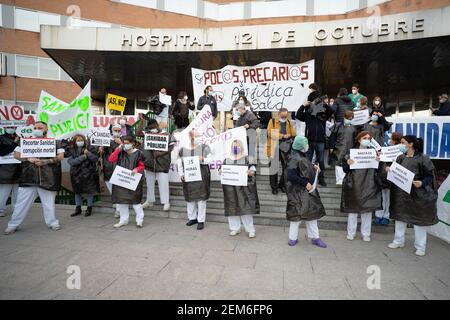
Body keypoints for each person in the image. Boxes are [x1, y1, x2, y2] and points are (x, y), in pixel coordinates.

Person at [4, 121, 65, 234]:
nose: (37, 129)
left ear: (46, 129)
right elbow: (16, 155)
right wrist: (28, 159)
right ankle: (13, 224)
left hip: (47, 178)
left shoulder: (56, 142)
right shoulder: (25, 141)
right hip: (28, 177)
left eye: (40, 127)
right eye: (35, 127)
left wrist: (46, 161)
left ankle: (52, 222)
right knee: (21, 203)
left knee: (49, 202)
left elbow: (61, 156)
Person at [387, 135, 438, 256]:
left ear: (410, 144)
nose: (401, 145)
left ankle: (420, 246)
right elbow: (395, 173)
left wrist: (422, 183)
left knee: (419, 220)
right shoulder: (400, 158)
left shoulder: (423, 159)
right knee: (400, 217)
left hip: (418, 194)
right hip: (401, 193)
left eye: (403, 142)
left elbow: (430, 176)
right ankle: (398, 240)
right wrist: (389, 170)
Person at [286, 136, 327, 248]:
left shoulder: (299, 156)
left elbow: (303, 167)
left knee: (311, 215)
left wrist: (313, 167)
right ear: (301, 146)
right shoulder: (294, 158)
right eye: (306, 144)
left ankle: (314, 237)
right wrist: (305, 183)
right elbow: (291, 175)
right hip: (298, 192)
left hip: (305, 192)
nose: (307, 146)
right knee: (297, 217)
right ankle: (293, 238)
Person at [341, 131, 382, 242]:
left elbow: (378, 170)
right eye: (365, 138)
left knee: (367, 211)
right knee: (353, 210)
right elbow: (344, 169)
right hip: (354, 184)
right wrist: (348, 163)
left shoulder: (373, 153)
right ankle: (351, 233)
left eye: (369, 138)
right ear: (359, 140)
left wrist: (379, 161)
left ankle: (366, 234)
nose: (367, 140)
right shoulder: (351, 153)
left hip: (369, 184)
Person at [221, 139, 259, 238]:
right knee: (232, 208)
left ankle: (250, 229)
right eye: (233, 146)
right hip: (230, 189)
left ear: (241, 147)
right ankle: (234, 228)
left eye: (237, 146)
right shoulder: (227, 159)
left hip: (244, 189)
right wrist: (221, 171)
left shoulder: (248, 159)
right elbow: (222, 170)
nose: (235, 148)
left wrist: (250, 172)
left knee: (245, 208)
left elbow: (253, 171)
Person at [177, 129, 212, 230]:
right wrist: (181, 173)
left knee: (201, 199)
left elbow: (211, 159)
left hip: (202, 176)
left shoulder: (205, 148)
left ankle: (201, 220)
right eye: (196, 136)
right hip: (189, 176)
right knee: (190, 197)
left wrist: (203, 159)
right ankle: (192, 218)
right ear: (190, 137)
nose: (198, 138)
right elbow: (179, 162)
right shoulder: (183, 150)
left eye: (199, 136)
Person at [108, 135, 146, 228]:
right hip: (121, 181)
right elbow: (111, 159)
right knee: (121, 202)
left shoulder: (138, 153)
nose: (125, 145)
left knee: (136, 202)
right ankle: (123, 220)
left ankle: (139, 220)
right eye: (124, 143)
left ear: (132, 143)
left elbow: (142, 165)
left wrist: (137, 169)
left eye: (127, 143)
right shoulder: (121, 153)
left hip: (133, 181)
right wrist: (118, 149)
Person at [296, 96, 334, 187]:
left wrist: (324, 104)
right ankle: (308, 178)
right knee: (308, 160)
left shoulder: (323, 114)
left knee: (320, 160)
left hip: (320, 140)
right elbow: (298, 115)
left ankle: (321, 178)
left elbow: (332, 111)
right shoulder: (308, 114)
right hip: (309, 140)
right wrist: (304, 106)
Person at [141, 119, 176, 211]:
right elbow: (137, 133)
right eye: (149, 128)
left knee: (163, 183)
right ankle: (149, 201)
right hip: (149, 163)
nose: (151, 129)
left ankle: (165, 202)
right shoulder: (147, 133)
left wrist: (161, 153)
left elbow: (172, 146)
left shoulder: (166, 134)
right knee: (149, 183)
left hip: (162, 163)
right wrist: (141, 121)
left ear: (157, 125)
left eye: (152, 127)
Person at [65, 134, 100, 217]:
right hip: (76, 174)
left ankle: (89, 208)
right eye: (78, 140)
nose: (80, 142)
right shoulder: (71, 150)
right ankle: (78, 208)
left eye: (81, 140)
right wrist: (82, 157)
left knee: (89, 191)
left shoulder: (90, 148)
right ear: (75, 141)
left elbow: (95, 159)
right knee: (77, 192)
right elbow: (71, 162)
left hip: (88, 173)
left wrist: (88, 153)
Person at [374, 132, 403, 226]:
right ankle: (379, 215)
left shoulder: (401, 152)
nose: (389, 140)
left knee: (389, 198)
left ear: (394, 140)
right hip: (382, 177)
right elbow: (381, 162)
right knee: (382, 197)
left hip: (392, 178)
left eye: (391, 139)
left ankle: (386, 216)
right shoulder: (386, 150)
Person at [266, 108, 296, 194]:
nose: (284, 117)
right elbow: (270, 133)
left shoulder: (289, 122)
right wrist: (282, 136)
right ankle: (274, 187)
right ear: (279, 114)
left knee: (286, 167)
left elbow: (293, 134)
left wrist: (290, 135)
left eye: (286, 116)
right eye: (283, 116)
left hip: (286, 148)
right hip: (274, 148)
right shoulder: (272, 121)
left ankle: (282, 185)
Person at [100, 123, 122, 218]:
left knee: (117, 188)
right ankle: (116, 201)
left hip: (118, 166)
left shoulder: (124, 139)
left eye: (118, 130)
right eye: (115, 130)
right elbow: (101, 152)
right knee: (110, 185)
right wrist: (100, 149)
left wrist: (120, 142)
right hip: (107, 166)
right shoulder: (106, 140)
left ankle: (118, 209)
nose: (116, 132)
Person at [330, 110, 356, 185]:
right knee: (338, 163)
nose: (349, 120)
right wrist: (331, 147)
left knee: (347, 163)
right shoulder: (337, 126)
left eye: (351, 119)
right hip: (338, 148)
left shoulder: (354, 128)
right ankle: (339, 180)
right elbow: (332, 137)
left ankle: (346, 179)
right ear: (344, 117)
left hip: (350, 148)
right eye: (348, 118)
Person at [0, 125, 21, 217]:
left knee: (17, 192)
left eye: (13, 127)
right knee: (4, 191)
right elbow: (2, 152)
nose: (11, 129)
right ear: (4, 128)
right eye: (8, 127)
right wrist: (14, 144)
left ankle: (16, 209)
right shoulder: (1, 138)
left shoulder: (20, 137)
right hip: (5, 169)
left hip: (18, 168)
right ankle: (1, 210)